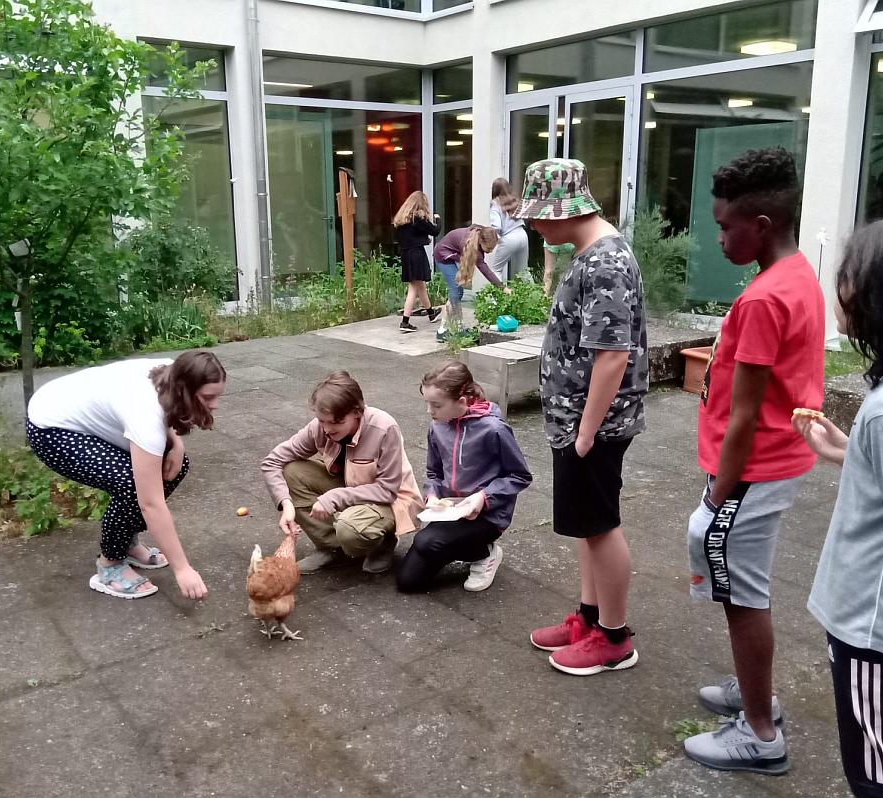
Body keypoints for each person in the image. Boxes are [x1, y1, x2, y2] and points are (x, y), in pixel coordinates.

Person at [680, 146, 825, 775]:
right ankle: (753, 690)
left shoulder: (765, 298)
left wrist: (717, 499)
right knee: (746, 586)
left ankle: (761, 735)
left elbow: (744, 415)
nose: (718, 238)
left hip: (751, 467)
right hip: (773, 459)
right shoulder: (797, 273)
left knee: (743, 596)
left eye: (725, 226)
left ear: (761, 225)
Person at [517, 159, 648, 677]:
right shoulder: (590, 255)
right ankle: (590, 619)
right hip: (578, 420)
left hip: (593, 424)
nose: (533, 225)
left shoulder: (605, 262)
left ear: (563, 211)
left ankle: (613, 638)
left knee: (601, 525)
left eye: (537, 215)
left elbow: (612, 355)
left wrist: (587, 431)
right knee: (587, 526)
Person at [794, 216, 883, 797]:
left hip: (873, 629)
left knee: (879, 773)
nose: (838, 288)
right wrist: (849, 452)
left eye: (847, 275)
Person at [26, 350, 225, 600]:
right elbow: (150, 504)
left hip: (85, 413)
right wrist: (182, 569)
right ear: (185, 389)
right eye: (208, 397)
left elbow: (167, 410)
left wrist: (177, 444)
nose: (215, 405)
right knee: (130, 483)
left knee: (175, 464)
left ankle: (126, 542)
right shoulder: (145, 413)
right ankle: (109, 565)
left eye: (217, 396)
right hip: (51, 427)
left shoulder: (175, 373)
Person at [261, 371, 423, 574]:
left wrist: (334, 497)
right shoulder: (320, 427)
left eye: (335, 422)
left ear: (356, 412)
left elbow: (387, 490)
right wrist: (286, 505)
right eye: (322, 421)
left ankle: (384, 541)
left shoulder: (384, 427)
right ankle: (333, 548)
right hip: (351, 489)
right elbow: (272, 461)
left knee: (349, 528)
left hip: (391, 500)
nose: (327, 429)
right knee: (291, 471)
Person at [397, 361, 532, 593]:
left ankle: (485, 553)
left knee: (424, 542)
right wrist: (432, 495)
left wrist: (483, 497)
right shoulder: (437, 426)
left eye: (436, 405)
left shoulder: (493, 429)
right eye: (427, 403)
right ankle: (455, 545)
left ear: (461, 402)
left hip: (488, 515)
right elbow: (434, 472)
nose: (429, 411)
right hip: (452, 512)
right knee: (408, 582)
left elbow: (520, 475)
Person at [432, 225, 510, 342]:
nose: (490, 252)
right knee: (456, 291)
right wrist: (502, 287)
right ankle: (444, 331)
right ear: (481, 241)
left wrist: (502, 287)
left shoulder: (480, 235)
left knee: (457, 291)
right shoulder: (470, 245)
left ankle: (456, 328)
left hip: (451, 253)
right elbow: (485, 269)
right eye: (489, 249)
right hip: (443, 256)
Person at [394, 190, 442, 334]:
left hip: (406, 254)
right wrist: (438, 219)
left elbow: (409, 237)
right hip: (416, 255)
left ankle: (431, 313)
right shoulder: (418, 218)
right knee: (413, 287)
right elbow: (435, 231)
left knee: (420, 286)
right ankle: (405, 321)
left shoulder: (402, 219)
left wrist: (423, 239)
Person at [488, 177, 531, 283]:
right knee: (524, 271)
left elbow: (496, 226)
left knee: (495, 270)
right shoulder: (514, 200)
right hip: (522, 234)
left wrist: (494, 239)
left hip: (509, 237)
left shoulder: (495, 203)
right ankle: (535, 293)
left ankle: (496, 294)